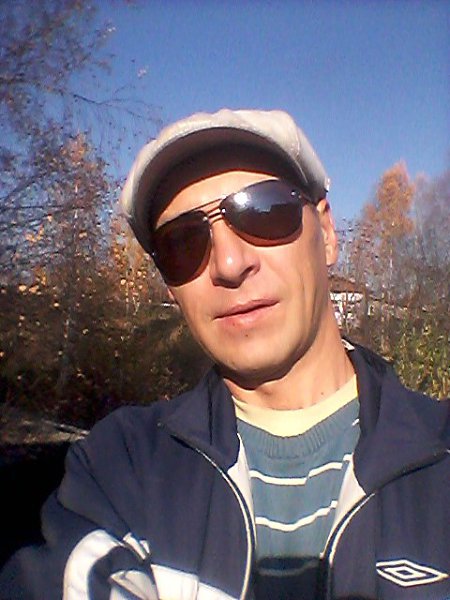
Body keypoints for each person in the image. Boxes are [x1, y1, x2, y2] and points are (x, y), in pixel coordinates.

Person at [1, 109, 449, 599]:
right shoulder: (121, 470)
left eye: (263, 212)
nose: (229, 264)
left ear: (326, 233)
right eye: (183, 242)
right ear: (170, 287)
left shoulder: (439, 458)